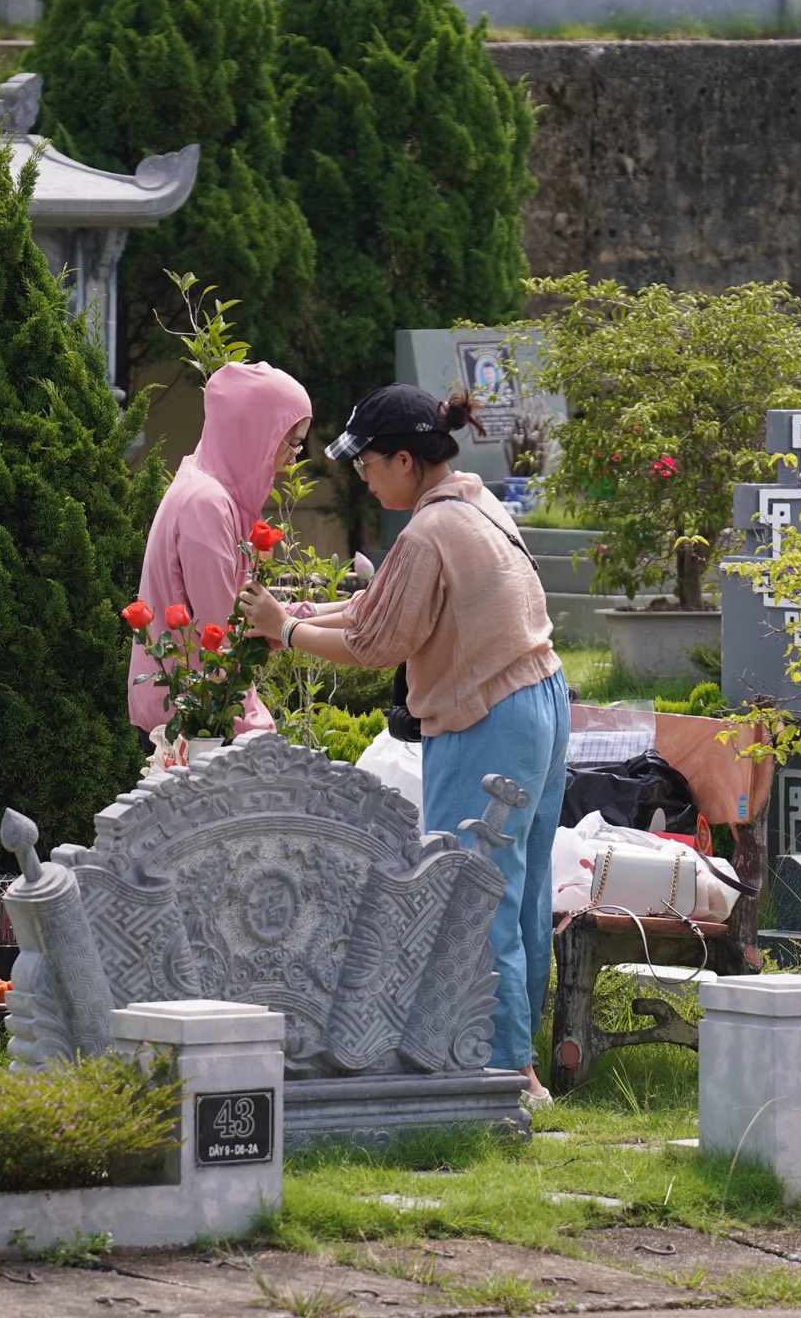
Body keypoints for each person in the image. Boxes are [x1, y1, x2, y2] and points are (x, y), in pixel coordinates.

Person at [243, 385, 568, 1102]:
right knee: (519, 892)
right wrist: (292, 611)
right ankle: (518, 1056)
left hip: (490, 713)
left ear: (403, 458)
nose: (362, 475)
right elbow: (380, 602)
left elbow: (376, 641)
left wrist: (288, 631)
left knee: (469, 893)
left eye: (366, 463)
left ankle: (505, 1071)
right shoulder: (471, 500)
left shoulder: (428, 533)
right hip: (541, 697)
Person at [129, 361, 312, 739]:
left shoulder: (209, 490)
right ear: (257, 433)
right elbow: (226, 633)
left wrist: (346, 610)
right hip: (201, 721)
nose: (294, 458)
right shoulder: (207, 503)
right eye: (292, 442)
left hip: (203, 712)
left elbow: (242, 620)